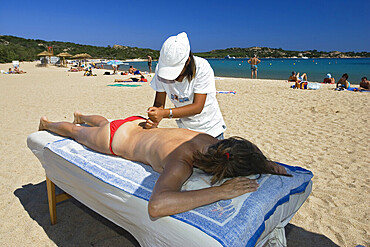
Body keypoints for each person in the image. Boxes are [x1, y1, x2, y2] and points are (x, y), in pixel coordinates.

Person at [38, 111, 291, 218]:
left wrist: (267, 165)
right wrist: (221, 191)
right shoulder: (180, 162)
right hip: (113, 139)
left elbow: (239, 154)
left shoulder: (211, 141)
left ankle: (82, 115)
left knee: (104, 121)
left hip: (134, 124)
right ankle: (47, 124)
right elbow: (157, 206)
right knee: (74, 132)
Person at [146, 32, 226, 140]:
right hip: (185, 130)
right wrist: (154, 118)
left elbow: (198, 107)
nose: (172, 78)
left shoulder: (202, 68)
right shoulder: (161, 70)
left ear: (187, 61)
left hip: (210, 130)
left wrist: (164, 113)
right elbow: (159, 103)